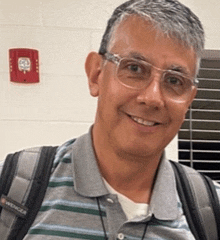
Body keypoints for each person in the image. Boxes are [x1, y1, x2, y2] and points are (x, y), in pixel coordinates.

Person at [2, 0, 220, 239]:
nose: (152, 98)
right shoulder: (13, 193)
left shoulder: (210, 213)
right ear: (96, 74)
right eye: (135, 68)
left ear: (189, 99)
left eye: (175, 80)